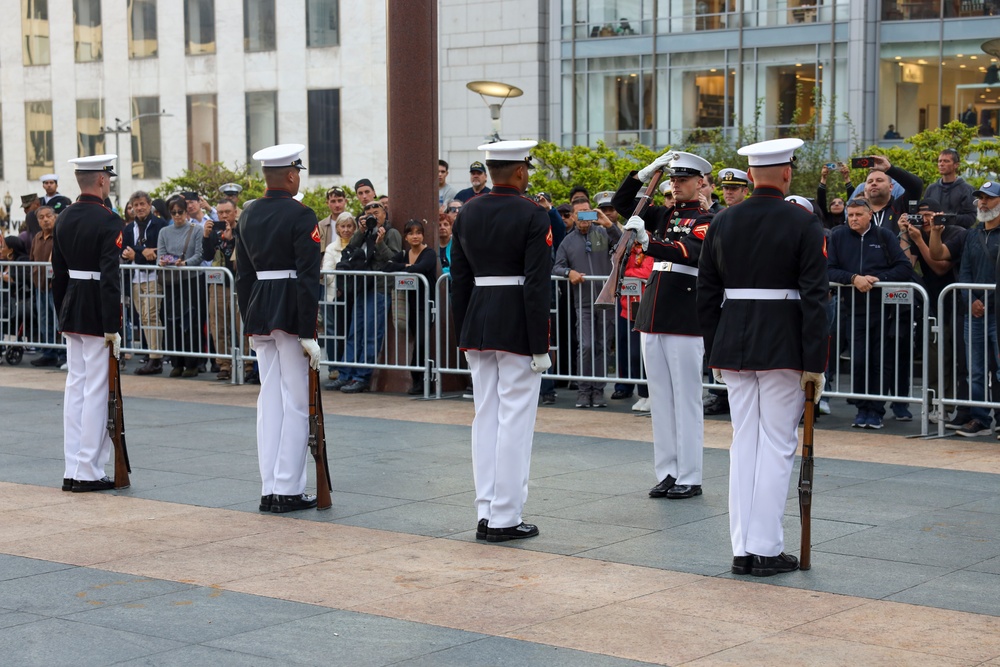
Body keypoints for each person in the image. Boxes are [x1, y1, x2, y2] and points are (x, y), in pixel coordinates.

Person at [697, 137, 828, 577]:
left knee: (744, 444)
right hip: (783, 345)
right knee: (776, 445)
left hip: (733, 343)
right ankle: (766, 548)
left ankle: (742, 548)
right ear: (787, 173)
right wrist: (816, 362)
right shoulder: (802, 223)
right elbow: (815, 297)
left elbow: (707, 292)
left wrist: (715, 346)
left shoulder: (723, 221)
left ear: (750, 176)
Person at [450, 139, 552, 543]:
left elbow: (458, 278)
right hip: (515, 323)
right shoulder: (532, 214)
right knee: (515, 420)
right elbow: (537, 284)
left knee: (486, 417)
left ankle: (487, 508)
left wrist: (464, 329)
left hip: (478, 318)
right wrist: (540, 343)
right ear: (521, 171)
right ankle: (506, 516)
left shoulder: (468, 211)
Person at [614, 151, 713, 500]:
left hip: (684, 316)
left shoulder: (705, 218)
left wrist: (648, 242)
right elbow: (621, 203)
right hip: (653, 315)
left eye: (683, 180)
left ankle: (690, 474)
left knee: (686, 399)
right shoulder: (664, 213)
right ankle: (668, 471)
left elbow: (689, 252)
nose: (675, 185)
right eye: (672, 179)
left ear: (700, 182)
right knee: (660, 399)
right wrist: (642, 175)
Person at [234, 143, 322, 514]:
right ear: (290, 175)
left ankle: (270, 485)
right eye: (297, 172)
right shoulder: (301, 215)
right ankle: (287, 488)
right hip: (288, 308)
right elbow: (308, 277)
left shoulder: (248, 213)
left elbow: (243, 274)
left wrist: (248, 319)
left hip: (258, 307)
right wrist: (307, 330)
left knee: (268, 399)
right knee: (296, 401)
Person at [50, 154, 123, 493]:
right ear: (102, 180)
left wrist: (61, 313)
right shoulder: (109, 220)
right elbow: (110, 278)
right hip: (95, 308)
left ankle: (72, 466)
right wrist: (113, 324)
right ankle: (88, 471)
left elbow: (58, 273)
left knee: (75, 388)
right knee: (95, 390)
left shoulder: (64, 217)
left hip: (71, 307)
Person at [827, 198, 912, 429]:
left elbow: (904, 267)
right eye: (850, 215)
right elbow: (829, 270)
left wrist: (878, 280)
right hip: (853, 309)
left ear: (869, 216)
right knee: (859, 360)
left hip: (882, 310)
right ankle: (862, 408)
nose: (853, 219)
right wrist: (853, 279)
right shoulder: (838, 236)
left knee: (879, 361)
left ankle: (876, 410)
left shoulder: (884, 236)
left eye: (858, 215)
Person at [934, 181, 1000, 437]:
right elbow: (964, 273)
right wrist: (971, 299)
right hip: (974, 315)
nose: (983, 203)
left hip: (997, 313)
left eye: (990, 198)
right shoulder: (971, 235)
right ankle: (979, 418)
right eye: (980, 198)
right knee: (975, 370)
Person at [902, 198, 969, 427]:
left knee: (952, 358)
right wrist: (905, 235)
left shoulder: (954, 233)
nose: (925, 220)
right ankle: (932, 404)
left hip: (953, 303)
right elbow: (906, 265)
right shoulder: (916, 233)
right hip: (931, 303)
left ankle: (948, 406)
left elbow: (940, 267)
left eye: (930, 215)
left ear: (940, 213)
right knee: (934, 357)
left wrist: (921, 239)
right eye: (920, 216)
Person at [552, 199, 621, 408]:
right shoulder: (567, 241)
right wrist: (568, 272)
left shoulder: (602, 233)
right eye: (579, 213)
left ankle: (598, 391)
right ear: (572, 216)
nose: (584, 218)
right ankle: (583, 390)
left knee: (601, 345)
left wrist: (608, 223)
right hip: (582, 302)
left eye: (587, 212)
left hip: (605, 301)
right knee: (586, 345)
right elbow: (557, 266)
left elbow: (623, 244)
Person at [384, 219, 438, 395]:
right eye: (411, 233)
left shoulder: (429, 252)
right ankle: (417, 381)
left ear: (423, 235)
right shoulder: (403, 253)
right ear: (405, 237)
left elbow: (422, 268)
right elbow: (387, 266)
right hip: (410, 305)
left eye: (418, 233)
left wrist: (405, 268)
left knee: (423, 342)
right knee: (417, 342)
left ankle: (424, 380)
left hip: (427, 305)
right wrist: (407, 266)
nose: (415, 236)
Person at [157, 196, 204, 377]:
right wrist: (163, 261)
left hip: (191, 279)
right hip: (171, 280)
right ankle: (176, 362)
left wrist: (184, 263)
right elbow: (160, 254)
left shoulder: (196, 230)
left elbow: (199, 255)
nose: (177, 216)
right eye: (174, 212)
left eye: (180, 212)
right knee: (171, 320)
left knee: (192, 320)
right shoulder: (164, 232)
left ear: (186, 212)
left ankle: (192, 363)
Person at [122, 191, 167, 375]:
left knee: (151, 316)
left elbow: (157, 251)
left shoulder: (159, 225)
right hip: (134, 278)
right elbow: (125, 251)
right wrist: (142, 251)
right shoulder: (128, 228)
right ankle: (151, 354)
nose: (139, 208)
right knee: (142, 317)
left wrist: (137, 254)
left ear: (150, 205)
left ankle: (156, 358)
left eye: (142, 204)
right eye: (135, 205)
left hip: (152, 278)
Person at [321, 211, 357, 386]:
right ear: (337, 229)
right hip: (334, 294)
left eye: (349, 226)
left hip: (354, 295)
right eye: (343, 226)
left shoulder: (359, 246)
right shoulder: (331, 248)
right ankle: (335, 366)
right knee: (333, 330)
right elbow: (327, 271)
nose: (346, 230)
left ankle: (350, 367)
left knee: (350, 331)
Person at [28, 206, 64, 368]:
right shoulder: (37, 237)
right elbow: (32, 258)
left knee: (58, 320)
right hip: (39, 284)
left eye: (48, 216)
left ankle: (63, 353)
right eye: (41, 217)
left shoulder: (60, 235)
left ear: (55, 217)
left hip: (56, 285)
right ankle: (49, 352)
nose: (45, 219)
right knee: (44, 320)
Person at [924, 149, 976, 229]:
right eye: (939, 161)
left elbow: (971, 218)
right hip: (933, 234)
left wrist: (946, 218)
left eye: (946, 161)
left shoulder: (967, 189)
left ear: (956, 165)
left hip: (958, 235)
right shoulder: (931, 189)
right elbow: (924, 212)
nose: (941, 164)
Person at [816, 163, 853, 228]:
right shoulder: (825, 217)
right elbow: (821, 199)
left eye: (840, 203)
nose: (836, 204)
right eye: (833, 203)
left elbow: (852, 197)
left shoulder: (849, 218)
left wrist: (847, 178)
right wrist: (823, 178)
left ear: (845, 206)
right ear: (829, 207)